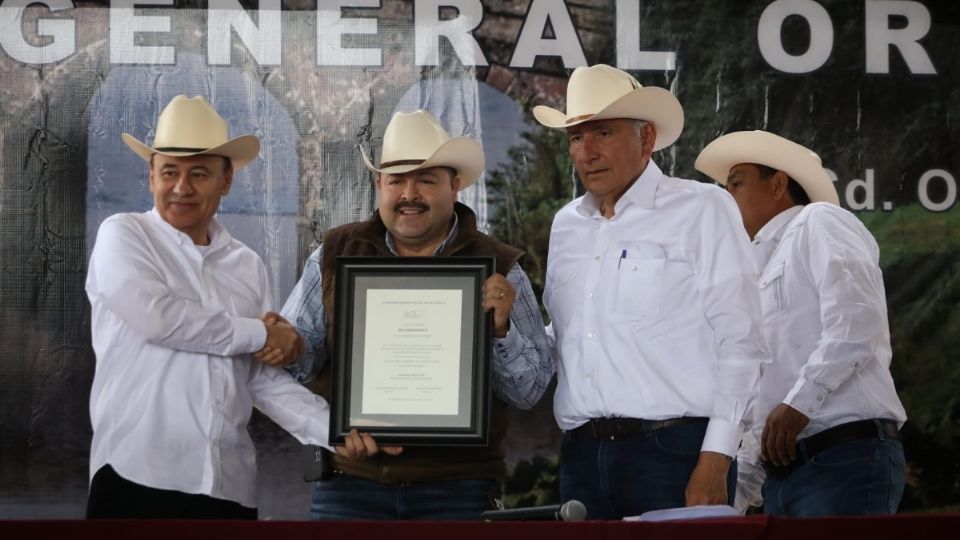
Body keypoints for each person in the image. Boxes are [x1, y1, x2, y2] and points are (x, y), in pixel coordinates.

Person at [280, 109, 555, 520]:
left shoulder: (499, 266)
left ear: (455, 185)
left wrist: (501, 331)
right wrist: (288, 349)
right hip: (349, 485)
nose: (409, 194)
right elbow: (295, 368)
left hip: (459, 490)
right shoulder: (334, 255)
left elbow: (528, 391)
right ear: (379, 185)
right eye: (396, 180)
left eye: (426, 180)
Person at [85, 95, 342, 519]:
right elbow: (160, 320)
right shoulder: (123, 235)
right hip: (135, 480)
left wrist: (339, 433)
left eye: (199, 174)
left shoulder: (247, 264)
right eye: (169, 171)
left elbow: (260, 378)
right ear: (150, 177)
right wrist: (265, 334)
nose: (182, 187)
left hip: (229, 490)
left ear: (226, 182)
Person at [531, 64, 767, 520]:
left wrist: (716, 457)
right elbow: (569, 334)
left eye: (602, 132)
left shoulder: (701, 207)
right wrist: (496, 331)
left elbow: (742, 340)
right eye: (576, 137)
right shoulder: (567, 225)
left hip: (675, 453)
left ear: (647, 139)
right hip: (582, 455)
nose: (587, 151)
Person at [695, 130, 907, 517]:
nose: (727, 200)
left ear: (778, 183)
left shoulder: (819, 220)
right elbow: (759, 393)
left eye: (737, 184)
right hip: (784, 474)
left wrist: (799, 403)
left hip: (844, 454)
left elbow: (857, 321)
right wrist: (732, 498)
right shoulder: (750, 268)